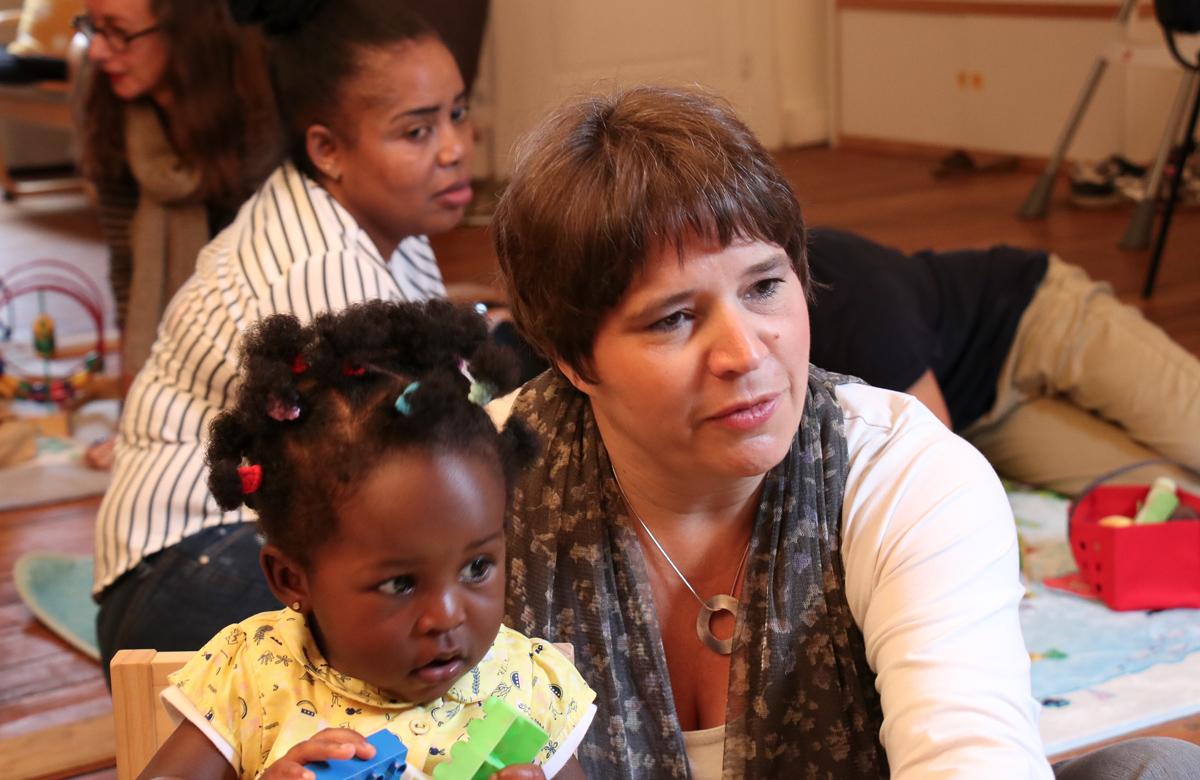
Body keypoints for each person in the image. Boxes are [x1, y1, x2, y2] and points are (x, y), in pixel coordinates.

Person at [491, 85, 1200, 779]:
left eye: (765, 287)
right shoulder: (476, 482)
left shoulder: (903, 473)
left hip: (1040, 331)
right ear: (573, 358)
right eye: (673, 318)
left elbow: (970, 750)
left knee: (1158, 766)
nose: (744, 353)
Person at [93, 0, 475, 679]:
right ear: (327, 149)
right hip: (183, 569)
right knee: (448, 620)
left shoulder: (389, 227)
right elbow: (392, 477)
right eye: (417, 131)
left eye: (458, 113)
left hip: (248, 544)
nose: (454, 148)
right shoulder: (323, 270)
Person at [132, 299, 595, 780]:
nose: (447, 616)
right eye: (400, 584)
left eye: (476, 568)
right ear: (293, 579)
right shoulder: (252, 677)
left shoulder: (526, 686)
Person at [805, 227, 1200, 497]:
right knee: (1168, 494)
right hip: (980, 417)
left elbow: (926, 449)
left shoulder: (844, 287)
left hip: (1038, 317)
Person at [74, 0, 279, 392]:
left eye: (119, 32)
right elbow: (127, 270)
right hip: (174, 356)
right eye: (93, 27)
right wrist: (138, 401)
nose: (98, 51)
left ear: (188, 34)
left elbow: (275, 288)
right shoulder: (110, 104)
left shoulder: (263, 113)